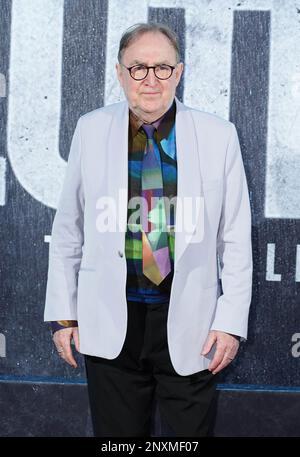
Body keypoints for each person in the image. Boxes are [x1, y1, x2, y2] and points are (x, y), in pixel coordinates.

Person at [44, 22, 252, 437]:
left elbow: (235, 237)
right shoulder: (91, 129)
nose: (150, 79)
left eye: (162, 68)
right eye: (138, 68)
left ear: (179, 72)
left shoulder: (219, 136)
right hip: (110, 320)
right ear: (120, 74)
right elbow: (69, 228)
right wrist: (64, 317)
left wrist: (229, 323)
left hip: (193, 323)